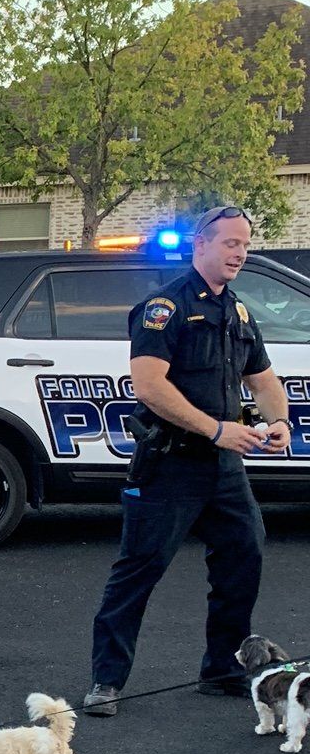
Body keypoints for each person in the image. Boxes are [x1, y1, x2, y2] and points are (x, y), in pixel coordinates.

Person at [84, 206, 293, 716]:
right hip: (170, 464)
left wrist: (281, 421)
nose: (239, 252)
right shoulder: (165, 308)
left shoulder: (237, 311)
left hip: (223, 469)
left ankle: (222, 670)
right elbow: (150, 386)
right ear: (200, 246)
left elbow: (262, 380)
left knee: (244, 556)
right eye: (229, 243)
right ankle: (106, 683)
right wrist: (218, 429)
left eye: (245, 243)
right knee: (139, 570)